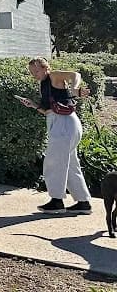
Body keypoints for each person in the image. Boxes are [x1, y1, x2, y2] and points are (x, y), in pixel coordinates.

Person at [21, 57, 92, 214]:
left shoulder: (53, 76)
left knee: (53, 162)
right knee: (70, 164)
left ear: (46, 68)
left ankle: (57, 201)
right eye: (32, 72)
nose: (34, 74)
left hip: (64, 124)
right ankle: (83, 203)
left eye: (37, 71)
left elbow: (75, 75)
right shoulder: (43, 84)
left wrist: (75, 89)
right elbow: (47, 110)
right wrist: (33, 105)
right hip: (61, 123)